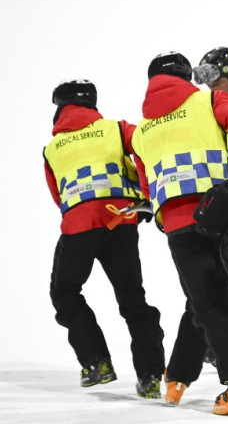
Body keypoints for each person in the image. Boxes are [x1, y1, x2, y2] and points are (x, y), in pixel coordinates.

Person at [130, 52, 228, 416]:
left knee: (203, 300)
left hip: (179, 226)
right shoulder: (210, 99)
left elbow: (145, 182)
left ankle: (178, 377)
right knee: (220, 301)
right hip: (223, 213)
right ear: (187, 77)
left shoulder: (141, 130)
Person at [42, 79, 165, 397]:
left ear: (61, 109)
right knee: (133, 301)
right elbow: (149, 149)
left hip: (79, 226)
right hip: (121, 220)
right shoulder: (116, 129)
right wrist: (147, 195)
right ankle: (150, 375)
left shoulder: (52, 149)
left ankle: (97, 363)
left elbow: (59, 197)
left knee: (65, 292)